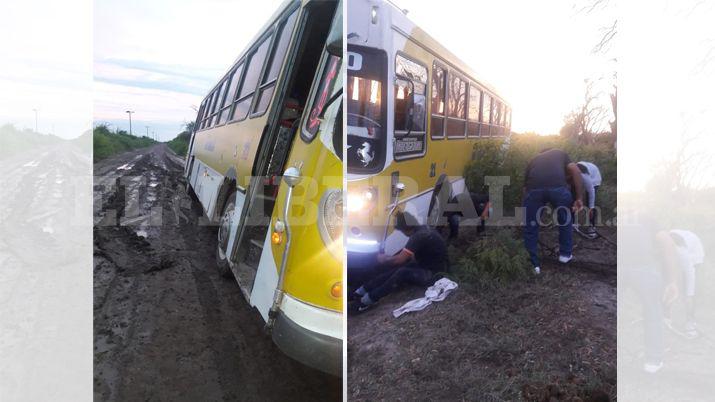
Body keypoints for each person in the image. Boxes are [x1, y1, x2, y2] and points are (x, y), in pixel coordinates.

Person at [349, 211, 447, 313]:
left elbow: (399, 260)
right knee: (400, 267)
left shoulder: (418, 236)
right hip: (429, 265)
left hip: (435, 274)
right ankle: (360, 291)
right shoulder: (423, 229)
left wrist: (384, 259)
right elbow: (409, 256)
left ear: (405, 229)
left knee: (401, 272)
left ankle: (365, 302)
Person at [523, 148, 584, 274]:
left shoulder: (533, 159)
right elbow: (576, 171)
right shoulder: (560, 153)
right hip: (558, 189)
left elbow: (525, 189)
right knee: (565, 220)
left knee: (531, 226)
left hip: (534, 191)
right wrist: (579, 198)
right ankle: (565, 255)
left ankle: (533, 265)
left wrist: (526, 210)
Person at [667, 229, 705, 338]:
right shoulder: (660, 245)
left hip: (694, 252)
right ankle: (666, 315)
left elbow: (689, 275)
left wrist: (689, 294)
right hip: (679, 244)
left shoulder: (684, 256)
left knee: (689, 290)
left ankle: (690, 321)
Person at [574, 161, 602, 239]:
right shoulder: (569, 173)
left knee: (589, 204)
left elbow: (591, 191)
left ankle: (592, 227)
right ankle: (574, 223)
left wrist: (591, 208)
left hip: (594, 178)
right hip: (586, 172)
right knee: (574, 199)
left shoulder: (583, 176)